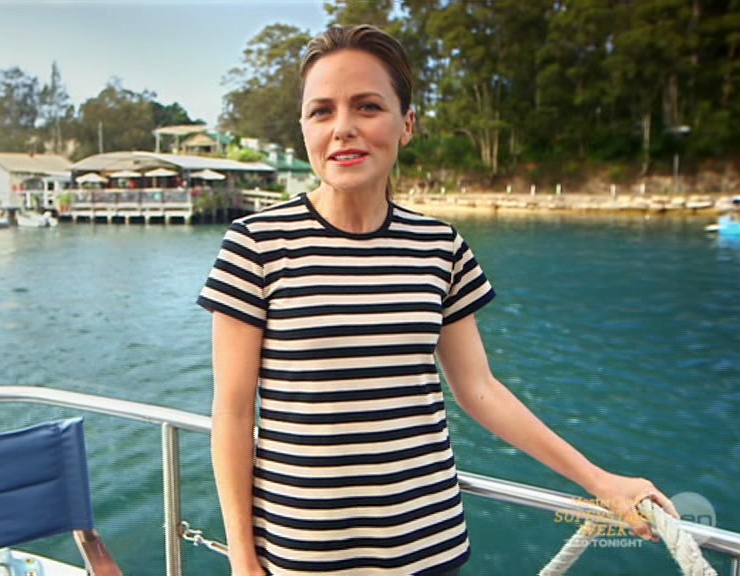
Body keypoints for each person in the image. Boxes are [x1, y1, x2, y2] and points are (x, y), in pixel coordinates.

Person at [197, 24, 678, 576]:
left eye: (368, 106)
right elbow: (232, 411)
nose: (343, 128)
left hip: (429, 544)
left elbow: (480, 389)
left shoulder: (440, 246)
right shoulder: (257, 244)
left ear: (406, 124)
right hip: (303, 550)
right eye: (321, 111)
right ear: (304, 128)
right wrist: (243, 557)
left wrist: (601, 482)